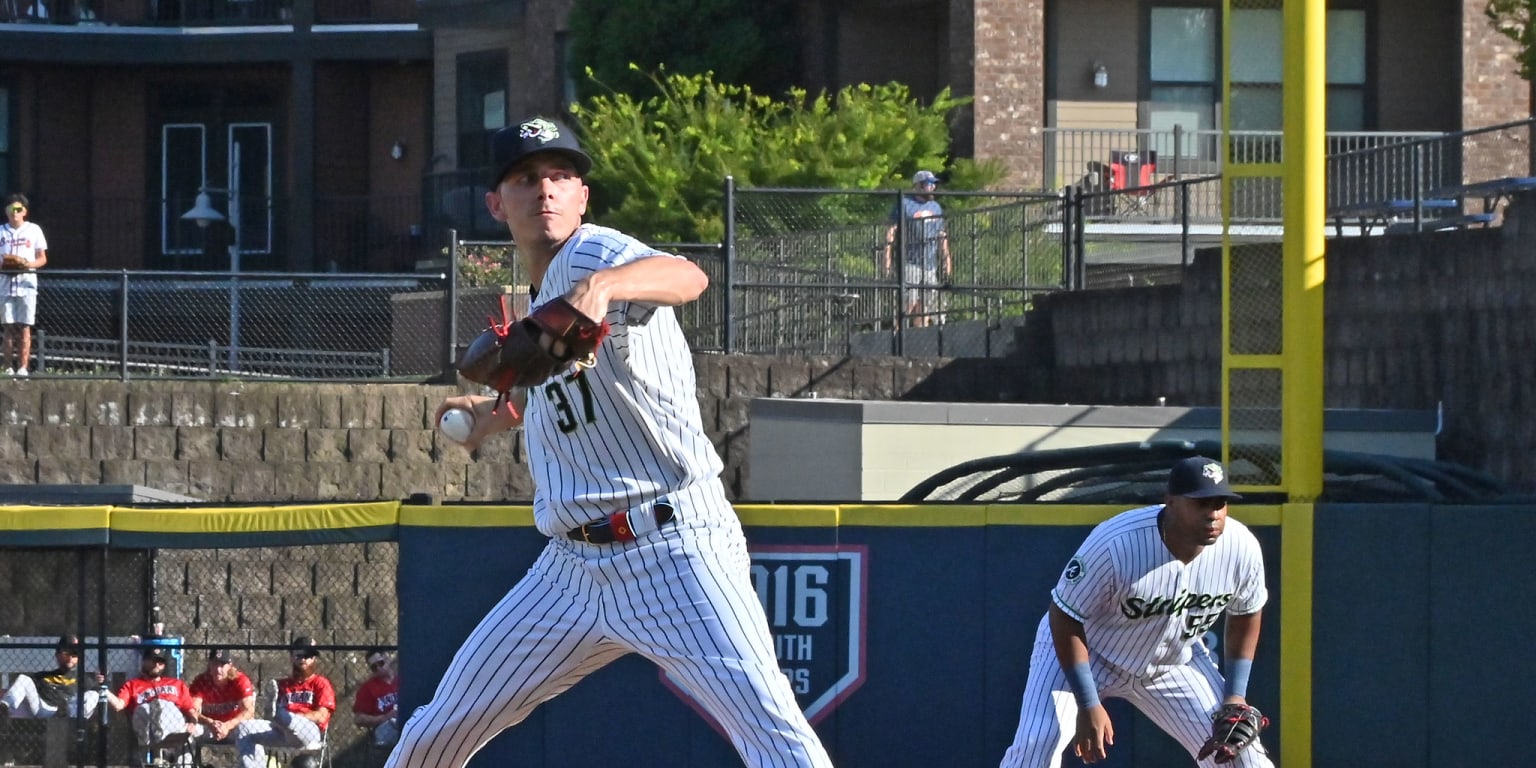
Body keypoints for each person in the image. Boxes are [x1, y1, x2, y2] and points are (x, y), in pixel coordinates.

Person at [386, 115, 833, 768]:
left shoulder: (592, 254)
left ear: (582, 196)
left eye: (562, 176)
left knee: (776, 736)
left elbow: (688, 277)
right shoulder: (537, 306)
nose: (546, 190)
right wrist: (494, 415)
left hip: (674, 549)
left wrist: (604, 287)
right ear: (495, 202)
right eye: (526, 178)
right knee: (434, 737)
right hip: (569, 573)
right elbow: (562, 391)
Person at [999, 456, 1273, 767]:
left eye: (1220, 503)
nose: (1213, 514)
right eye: (1201, 503)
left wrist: (1235, 696)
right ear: (1169, 502)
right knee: (1038, 742)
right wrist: (1087, 703)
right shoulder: (1116, 542)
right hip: (1089, 653)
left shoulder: (1241, 546)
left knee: (1243, 756)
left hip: (1172, 664)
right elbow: (1064, 616)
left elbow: (1246, 613)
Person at [233, 636, 335, 768]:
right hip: (280, 731)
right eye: (299, 656)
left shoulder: (321, 683)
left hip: (309, 732)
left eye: (308, 656)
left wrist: (293, 717)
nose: (304, 660)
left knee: (282, 715)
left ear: (314, 659)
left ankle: (277, 715)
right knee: (244, 728)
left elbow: (322, 716)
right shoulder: (282, 685)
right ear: (292, 657)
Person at [103, 645, 202, 757]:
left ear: (164, 665)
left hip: (173, 724)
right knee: (147, 707)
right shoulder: (132, 685)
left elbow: (190, 709)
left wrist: (193, 723)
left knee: (168, 708)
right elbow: (118, 705)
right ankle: (161, 735)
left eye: (160, 662)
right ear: (144, 661)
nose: (156, 665)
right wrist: (103, 688)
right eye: (152, 660)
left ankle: (163, 735)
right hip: (146, 729)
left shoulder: (176, 684)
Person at [883, 170, 950, 328]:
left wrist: (947, 260)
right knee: (908, 304)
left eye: (933, 184)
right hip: (910, 262)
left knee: (924, 307)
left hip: (930, 265)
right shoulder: (905, 204)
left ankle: (922, 342)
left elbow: (942, 235)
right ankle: (898, 337)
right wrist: (887, 258)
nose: (931, 187)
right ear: (918, 185)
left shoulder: (936, 207)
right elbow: (891, 231)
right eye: (928, 183)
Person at [0, 634, 103, 720]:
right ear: (58, 655)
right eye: (66, 652)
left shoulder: (83, 678)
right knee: (23, 679)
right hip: (45, 708)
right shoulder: (43, 676)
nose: (70, 657)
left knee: (93, 694)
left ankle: (67, 717)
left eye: (74, 653)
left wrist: (99, 682)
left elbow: (101, 694)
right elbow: (22, 686)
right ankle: (3, 709)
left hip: (71, 712)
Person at [0, 193, 47, 376]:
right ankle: (8, 367)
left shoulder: (33, 230)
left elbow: (42, 258)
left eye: (18, 209)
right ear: (6, 211)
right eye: (11, 209)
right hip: (5, 285)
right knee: (8, 327)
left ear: (24, 211)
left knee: (25, 326)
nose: (14, 212)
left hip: (27, 284)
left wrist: (26, 264)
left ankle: (23, 368)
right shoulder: (1, 231)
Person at [189, 648, 256, 756]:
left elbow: (249, 711)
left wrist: (227, 726)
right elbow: (192, 710)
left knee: (248, 729)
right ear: (209, 664)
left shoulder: (239, 680)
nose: (218, 669)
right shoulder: (201, 681)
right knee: (189, 729)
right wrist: (210, 722)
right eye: (215, 664)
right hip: (209, 728)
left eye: (222, 665)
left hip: (234, 727)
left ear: (229, 665)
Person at [350, 648, 399, 749]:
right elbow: (359, 718)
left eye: (381, 663)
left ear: (387, 659)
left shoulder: (403, 678)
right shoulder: (367, 688)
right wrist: (385, 717)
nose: (378, 668)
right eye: (374, 667)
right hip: (385, 726)